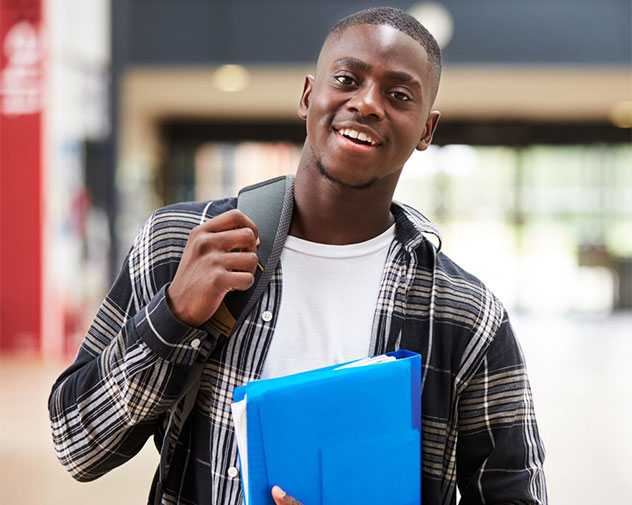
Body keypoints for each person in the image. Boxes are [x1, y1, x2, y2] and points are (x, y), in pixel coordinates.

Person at [49, 7, 547, 505]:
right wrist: (174, 314)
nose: (368, 103)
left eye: (398, 95)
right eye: (348, 79)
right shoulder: (180, 242)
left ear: (425, 130)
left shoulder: (465, 314)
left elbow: (515, 494)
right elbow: (78, 446)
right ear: (309, 96)